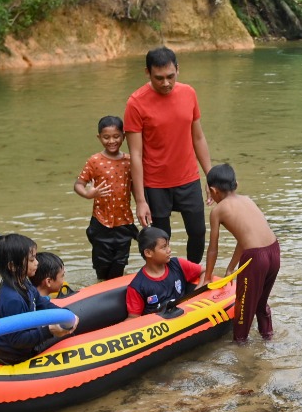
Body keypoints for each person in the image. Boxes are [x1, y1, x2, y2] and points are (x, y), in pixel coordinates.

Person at [124, 46, 213, 264]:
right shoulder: (136, 103)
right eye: (159, 78)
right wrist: (141, 200)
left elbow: (198, 138)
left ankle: (192, 272)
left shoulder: (189, 93)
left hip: (188, 177)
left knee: (198, 231)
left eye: (170, 77)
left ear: (178, 70)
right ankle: (164, 278)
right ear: (147, 73)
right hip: (155, 184)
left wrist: (211, 178)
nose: (166, 83)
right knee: (160, 239)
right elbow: (135, 154)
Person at [200, 164, 281, 342]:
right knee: (260, 302)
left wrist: (207, 278)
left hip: (256, 257)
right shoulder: (247, 199)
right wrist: (230, 268)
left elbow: (213, 248)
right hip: (274, 250)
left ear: (213, 191)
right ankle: (268, 338)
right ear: (236, 183)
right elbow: (244, 239)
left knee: (243, 307)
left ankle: (240, 346)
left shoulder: (218, 211)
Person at [0, 234, 78, 365]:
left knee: (68, 332)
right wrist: (49, 330)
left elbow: (42, 303)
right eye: (32, 260)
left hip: (19, 343)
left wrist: (65, 314)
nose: (37, 263)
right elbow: (17, 340)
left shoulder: (23, 282)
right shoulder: (13, 300)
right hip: (11, 356)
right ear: (13, 266)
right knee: (69, 337)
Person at [75, 115, 139, 280]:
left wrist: (142, 204)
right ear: (99, 138)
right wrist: (89, 194)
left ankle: (115, 290)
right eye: (106, 137)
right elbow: (79, 184)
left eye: (116, 136)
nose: (112, 141)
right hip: (101, 222)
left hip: (124, 222)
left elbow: (137, 187)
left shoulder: (129, 161)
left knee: (120, 262)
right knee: (102, 264)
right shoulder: (95, 161)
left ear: (124, 137)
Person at [126, 227, 204, 318]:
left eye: (168, 245)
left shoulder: (178, 264)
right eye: (164, 247)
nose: (169, 250)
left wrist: (197, 294)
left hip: (184, 314)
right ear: (148, 253)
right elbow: (133, 318)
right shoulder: (137, 286)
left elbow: (204, 271)